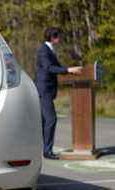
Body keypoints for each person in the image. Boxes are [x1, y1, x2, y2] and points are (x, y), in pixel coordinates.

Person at [35, 27, 83, 160]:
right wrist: (68, 70)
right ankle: (47, 150)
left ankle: (45, 149)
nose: (60, 39)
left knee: (45, 120)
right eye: (59, 36)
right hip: (44, 89)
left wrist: (69, 69)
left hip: (47, 89)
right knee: (51, 119)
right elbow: (49, 68)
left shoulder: (50, 49)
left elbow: (55, 67)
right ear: (53, 37)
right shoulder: (44, 50)